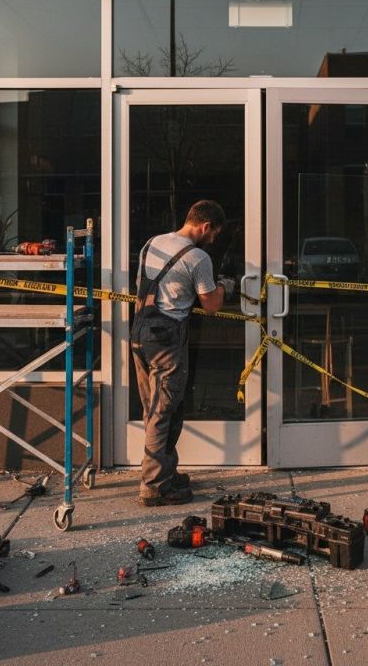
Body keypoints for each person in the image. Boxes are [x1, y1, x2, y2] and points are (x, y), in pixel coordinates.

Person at [130, 200, 235, 506]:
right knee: (162, 412)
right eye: (214, 234)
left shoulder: (152, 243)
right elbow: (211, 305)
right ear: (206, 226)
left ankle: (165, 472)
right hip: (167, 338)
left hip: (140, 331)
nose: (213, 240)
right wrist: (224, 286)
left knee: (158, 408)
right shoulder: (198, 257)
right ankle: (154, 486)